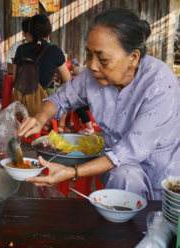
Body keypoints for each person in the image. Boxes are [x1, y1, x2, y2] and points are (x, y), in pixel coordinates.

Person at [17, 8, 180, 200]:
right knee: (123, 179)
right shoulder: (92, 76)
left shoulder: (159, 82)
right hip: (119, 174)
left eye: (103, 59)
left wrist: (71, 172)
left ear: (133, 58)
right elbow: (60, 98)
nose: (93, 66)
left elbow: (128, 151)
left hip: (162, 177)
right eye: (89, 55)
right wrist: (40, 117)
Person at [12, 14, 71, 133]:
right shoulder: (54, 50)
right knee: (67, 88)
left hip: (21, 103)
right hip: (43, 103)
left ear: (30, 32)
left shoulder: (20, 49)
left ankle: (46, 123)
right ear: (50, 31)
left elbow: (15, 78)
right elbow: (68, 80)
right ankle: (57, 124)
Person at [0, 18, 32, 104]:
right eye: (30, 35)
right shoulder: (17, 46)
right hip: (18, 74)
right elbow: (5, 66)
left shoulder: (43, 46)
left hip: (36, 76)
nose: (33, 38)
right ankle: (4, 105)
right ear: (24, 34)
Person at [71, 61, 95, 135]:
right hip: (95, 99)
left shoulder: (91, 71)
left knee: (78, 106)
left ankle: (89, 129)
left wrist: (73, 67)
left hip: (96, 100)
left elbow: (79, 72)